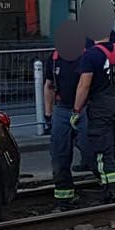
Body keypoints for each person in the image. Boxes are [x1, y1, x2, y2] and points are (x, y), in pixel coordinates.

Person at [71, 24, 115, 202]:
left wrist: (76, 110)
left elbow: (84, 85)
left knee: (103, 153)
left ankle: (112, 192)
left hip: (100, 108)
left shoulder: (90, 56)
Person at [42, 23, 86, 210]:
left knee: (93, 151)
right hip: (62, 110)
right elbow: (49, 86)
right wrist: (48, 114)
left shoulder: (87, 57)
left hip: (85, 110)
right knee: (59, 155)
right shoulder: (53, 59)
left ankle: (112, 190)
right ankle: (65, 197)